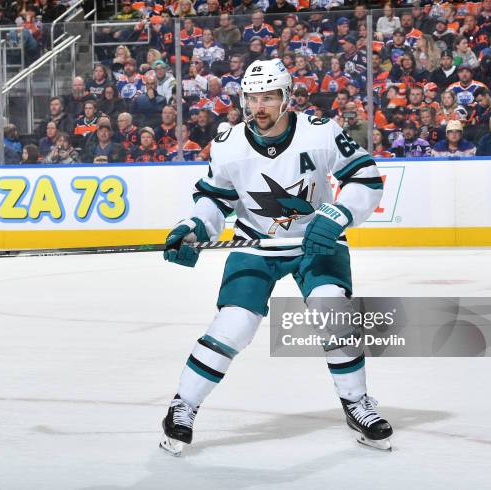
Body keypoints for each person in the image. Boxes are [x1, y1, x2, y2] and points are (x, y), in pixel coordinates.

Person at [159, 58, 392, 457]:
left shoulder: (321, 133)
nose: (259, 106)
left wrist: (337, 214)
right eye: (253, 97)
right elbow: (214, 199)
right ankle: (183, 407)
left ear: (286, 97)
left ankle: (356, 402)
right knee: (234, 325)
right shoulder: (228, 143)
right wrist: (194, 227)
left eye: (268, 96)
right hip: (255, 244)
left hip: (315, 242)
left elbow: (366, 177)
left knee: (333, 311)